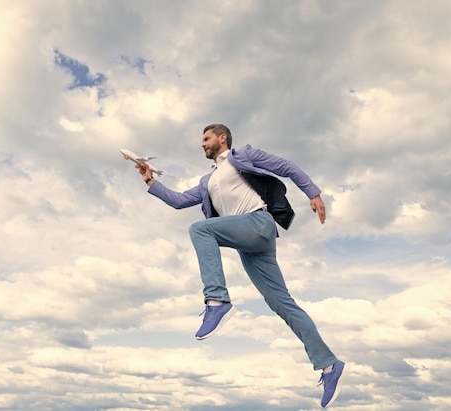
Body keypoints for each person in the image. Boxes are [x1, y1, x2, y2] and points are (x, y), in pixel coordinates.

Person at [137, 124, 348, 408]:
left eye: (206, 138)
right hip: (249, 244)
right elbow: (178, 201)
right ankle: (329, 365)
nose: (202, 144)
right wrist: (150, 181)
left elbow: (285, 166)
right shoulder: (206, 181)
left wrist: (313, 193)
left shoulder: (243, 155)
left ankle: (217, 301)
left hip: (258, 224)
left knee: (200, 230)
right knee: (282, 304)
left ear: (222, 138)